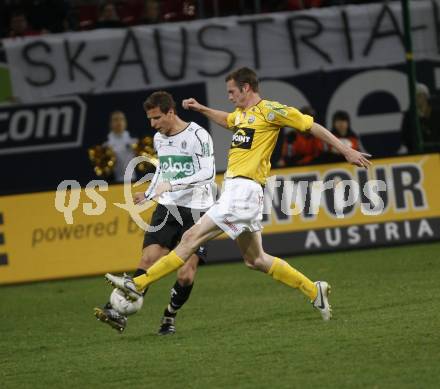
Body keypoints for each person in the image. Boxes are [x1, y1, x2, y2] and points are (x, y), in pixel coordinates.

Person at [106, 67, 371, 322]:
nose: (230, 97)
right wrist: (202, 109)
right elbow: (227, 120)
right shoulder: (242, 115)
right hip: (238, 191)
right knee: (255, 259)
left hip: (244, 190)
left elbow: (311, 126)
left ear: (246, 88)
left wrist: (345, 150)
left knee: (190, 237)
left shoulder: (270, 111)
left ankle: (137, 284)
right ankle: (314, 290)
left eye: (232, 92)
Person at [95, 91, 215, 334]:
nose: (153, 124)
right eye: (150, 119)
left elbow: (207, 174)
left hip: (197, 209)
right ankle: (117, 312)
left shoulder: (198, 135)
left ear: (171, 112)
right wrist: (149, 194)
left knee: (185, 275)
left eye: (157, 118)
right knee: (147, 260)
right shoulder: (159, 138)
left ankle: (169, 316)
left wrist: (172, 185)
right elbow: (163, 170)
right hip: (168, 206)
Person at [400, 83, 440, 153]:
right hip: (418, 154)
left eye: (419, 95)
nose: (416, 98)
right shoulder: (409, 117)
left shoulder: (437, 114)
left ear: (426, 96)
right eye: (414, 96)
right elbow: (405, 137)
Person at [103, 111, 137, 183]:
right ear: (110, 124)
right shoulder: (106, 146)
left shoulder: (135, 142)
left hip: (134, 181)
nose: (119, 122)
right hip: (114, 184)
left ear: (125, 122)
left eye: (121, 119)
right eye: (115, 120)